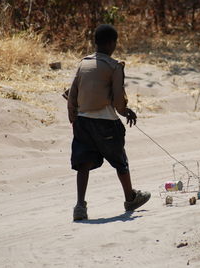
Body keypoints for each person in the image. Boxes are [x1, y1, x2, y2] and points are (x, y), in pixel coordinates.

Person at [67, 24, 151, 221]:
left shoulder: (83, 63)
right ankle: (130, 198)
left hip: (82, 122)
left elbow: (72, 94)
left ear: (95, 42)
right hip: (105, 123)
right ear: (113, 43)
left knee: (83, 162)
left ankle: (80, 206)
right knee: (120, 160)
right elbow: (118, 98)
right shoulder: (114, 66)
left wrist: (73, 119)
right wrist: (125, 111)